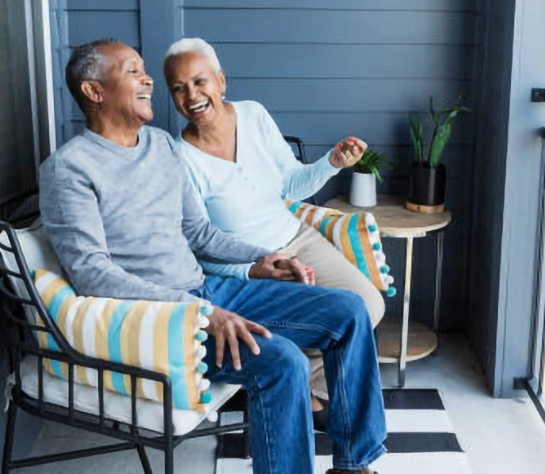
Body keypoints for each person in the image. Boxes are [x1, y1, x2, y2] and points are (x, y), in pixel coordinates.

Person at [39, 38, 386, 474]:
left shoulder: (161, 146)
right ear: (94, 91)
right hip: (164, 319)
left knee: (350, 310)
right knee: (283, 363)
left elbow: (199, 233)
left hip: (207, 292)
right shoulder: (69, 169)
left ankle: (355, 466)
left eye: (145, 70)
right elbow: (92, 275)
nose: (148, 79)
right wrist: (200, 312)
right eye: (132, 70)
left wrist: (265, 257)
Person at [162, 38, 386, 424]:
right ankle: (302, 392)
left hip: (296, 237)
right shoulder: (178, 157)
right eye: (179, 88)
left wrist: (331, 163)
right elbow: (198, 247)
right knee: (301, 338)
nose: (192, 95)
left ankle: (310, 386)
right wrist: (253, 268)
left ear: (221, 80)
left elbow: (290, 187)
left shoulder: (253, 115)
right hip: (245, 268)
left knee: (369, 306)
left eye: (200, 82)